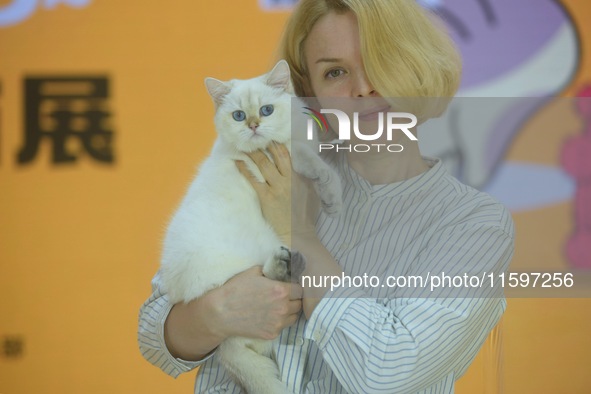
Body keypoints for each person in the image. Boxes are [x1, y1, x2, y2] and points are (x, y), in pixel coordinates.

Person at [138, 0, 515, 392]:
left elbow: (387, 373)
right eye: (335, 72)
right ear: (308, 92)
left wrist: (299, 233)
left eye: (381, 59)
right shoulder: (267, 166)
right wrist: (213, 314)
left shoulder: (475, 223)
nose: (363, 88)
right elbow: (153, 333)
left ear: (417, 65)